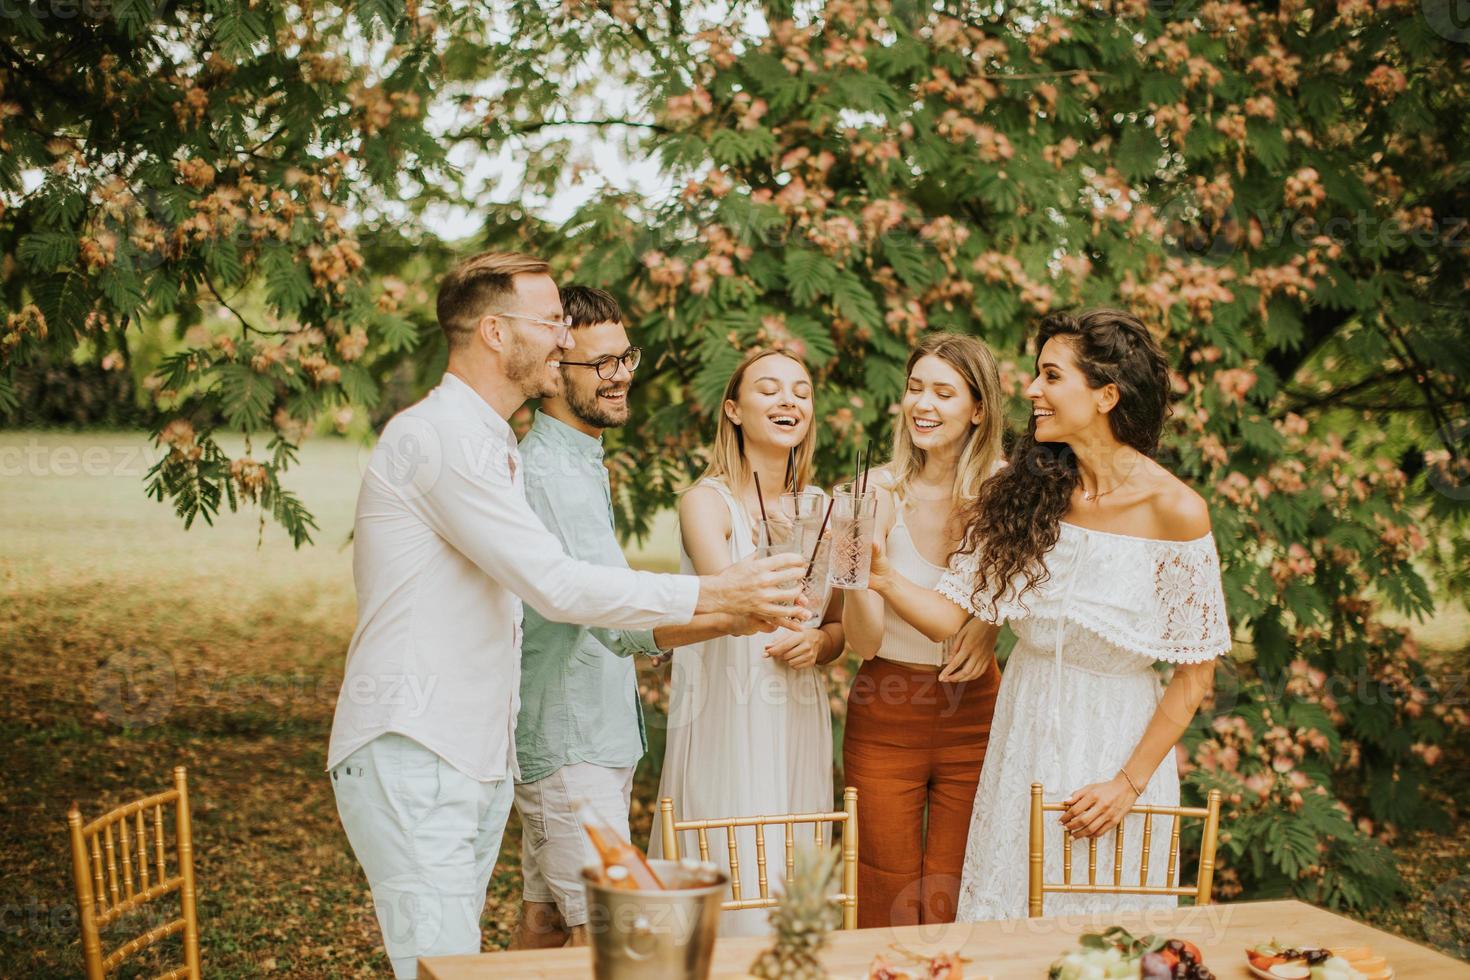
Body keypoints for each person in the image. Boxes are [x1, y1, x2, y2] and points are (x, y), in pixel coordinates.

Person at [326, 252, 809, 977]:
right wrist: (720, 597)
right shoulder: (446, 441)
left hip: (468, 749)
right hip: (416, 741)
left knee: (483, 946)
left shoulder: (494, 443)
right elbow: (557, 585)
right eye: (551, 321)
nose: (563, 338)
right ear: (494, 332)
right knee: (440, 963)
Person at [867, 309, 1232, 921]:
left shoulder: (1177, 510)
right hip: (1022, 739)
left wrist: (1127, 785)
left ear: (1106, 395)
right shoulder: (1027, 490)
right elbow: (953, 613)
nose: (1032, 391)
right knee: (1004, 915)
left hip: (1118, 748)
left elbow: (1196, 676)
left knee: (1106, 933)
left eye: (1050, 376)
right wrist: (882, 576)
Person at [510, 286, 764, 949]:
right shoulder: (554, 475)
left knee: (542, 924)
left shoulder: (579, 459)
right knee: (618, 934)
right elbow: (617, 622)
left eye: (625, 357)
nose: (620, 375)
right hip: (569, 744)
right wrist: (733, 607)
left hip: (581, 734)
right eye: (600, 364)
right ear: (551, 372)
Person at [649, 347, 846, 936]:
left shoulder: (824, 509)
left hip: (794, 707)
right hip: (725, 709)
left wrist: (820, 646)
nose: (789, 399)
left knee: (790, 858)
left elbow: (834, 629)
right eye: (769, 389)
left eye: (802, 391)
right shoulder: (707, 503)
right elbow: (740, 604)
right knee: (726, 854)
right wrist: (787, 561)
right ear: (733, 410)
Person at [840, 333, 1006, 928]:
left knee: (961, 878)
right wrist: (858, 578)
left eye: (943, 392)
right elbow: (861, 643)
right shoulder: (876, 490)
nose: (923, 405)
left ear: (978, 408)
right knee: (884, 884)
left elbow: (961, 613)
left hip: (975, 708)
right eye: (915, 389)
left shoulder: (1004, 492)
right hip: (887, 707)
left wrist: (990, 619)